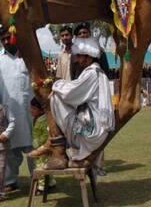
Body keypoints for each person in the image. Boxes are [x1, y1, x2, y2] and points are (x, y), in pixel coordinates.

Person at [49, 37, 116, 168]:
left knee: (55, 98)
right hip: (96, 127)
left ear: (89, 57)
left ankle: (62, 143)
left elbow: (71, 93)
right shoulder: (95, 72)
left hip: (94, 131)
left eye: (79, 56)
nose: (77, 60)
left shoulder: (92, 74)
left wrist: (55, 85)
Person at [0, 26, 34, 193]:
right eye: (3, 39)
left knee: (33, 147)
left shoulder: (28, 54)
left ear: (15, 35)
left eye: (8, 37)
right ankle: (10, 181)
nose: (6, 42)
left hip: (29, 110)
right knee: (9, 149)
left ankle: (41, 181)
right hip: (7, 110)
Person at [73, 22, 109, 175]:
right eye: (80, 33)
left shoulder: (98, 52)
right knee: (82, 129)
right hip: (80, 95)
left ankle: (97, 166)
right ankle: (83, 160)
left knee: (98, 128)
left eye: (85, 32)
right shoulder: (74, 55)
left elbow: (105, 72)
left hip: (96, 95)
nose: (83, 35)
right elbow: (73, 74)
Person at [29, 98, 56, 192]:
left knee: (40, 166)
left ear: (41, 110)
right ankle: (51, 183)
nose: (31, 110)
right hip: (41, 146)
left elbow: (45, 134)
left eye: (33, 108)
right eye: (31, 108)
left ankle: (42, 187)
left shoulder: (43, 121)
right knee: (46, 165)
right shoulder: (38, 119)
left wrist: (38, 143)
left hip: (42, 147)